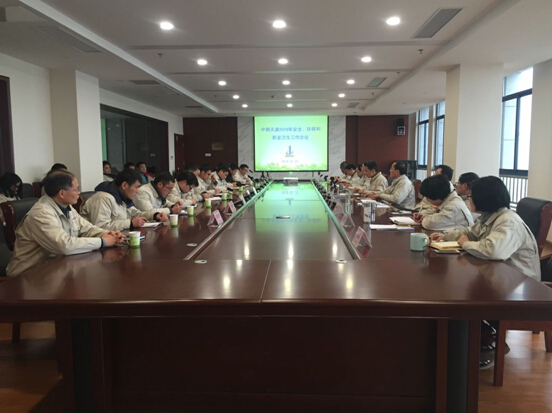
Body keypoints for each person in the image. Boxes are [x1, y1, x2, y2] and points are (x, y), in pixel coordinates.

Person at [6, 170, 124, 277]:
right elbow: (64, 245)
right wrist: (103, 241)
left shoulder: (67, 207)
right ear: (62, 193)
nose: (79, 192)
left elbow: (87, 228)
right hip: (27, 276)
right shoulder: (41, 214)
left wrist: (109, 234)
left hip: (56, 269)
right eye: (76, 189)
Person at [429, 176, 540, 280]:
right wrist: (445, 236)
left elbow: (492, 251)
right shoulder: (490, 216)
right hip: (502, 276)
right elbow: (470, 232)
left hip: (522, 284)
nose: (469, 200)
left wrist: (466, 243)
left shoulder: (508, 222)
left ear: (483, 199)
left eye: (470, 196)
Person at [81, 169, 168, 231]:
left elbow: (136, 214)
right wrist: (130, 223)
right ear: (124, 185)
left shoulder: (123, 197)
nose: (137, 191)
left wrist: (155, 215)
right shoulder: (103, 198)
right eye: (136, 187)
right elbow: (100, 226)